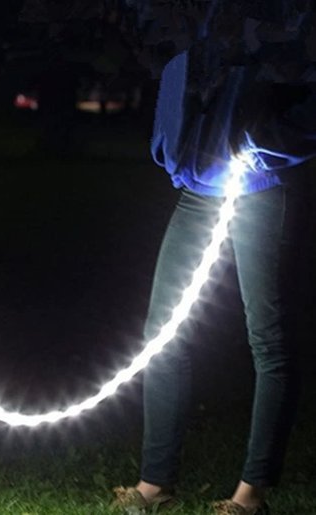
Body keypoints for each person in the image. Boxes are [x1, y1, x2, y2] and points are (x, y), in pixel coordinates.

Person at [113, 1, 316, 514]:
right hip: (199, 188)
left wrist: (264, 142)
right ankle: (154, 486)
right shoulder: (199, 14)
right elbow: (179, 69)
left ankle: (251, 495)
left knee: (267, 338)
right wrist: (172, 146)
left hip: (263, 185)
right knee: (163, 335)